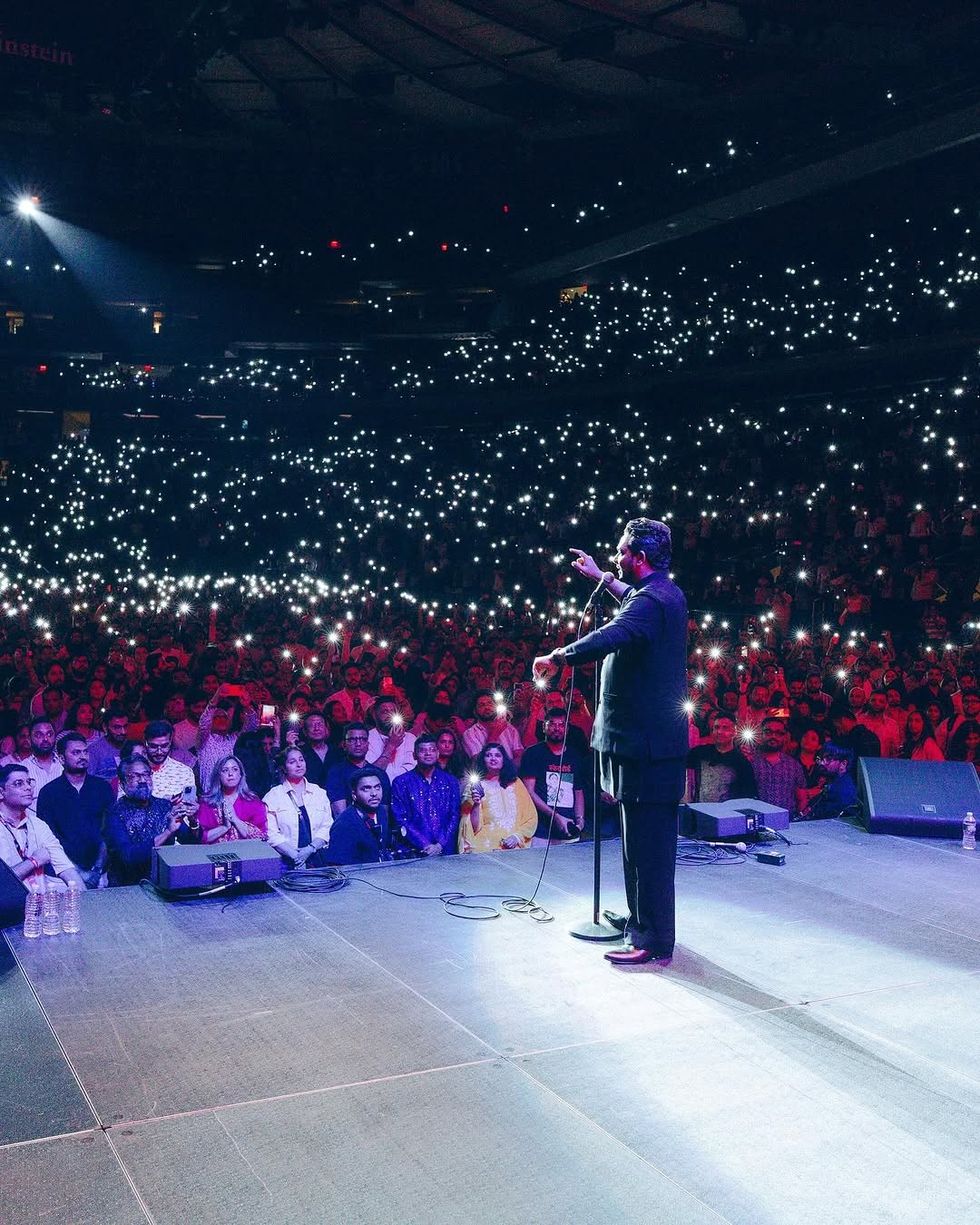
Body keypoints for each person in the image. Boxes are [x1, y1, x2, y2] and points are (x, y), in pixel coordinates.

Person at [534, 518, 688, 966]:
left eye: (622, 553)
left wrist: (558, 656)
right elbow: (630, 596)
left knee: (648, 848)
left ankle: (653, 940)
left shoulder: (653, 601)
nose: (618, 558)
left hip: (647, 747)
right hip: (641, 744)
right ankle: (642, 921)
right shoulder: (658, 592)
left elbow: (612, 634)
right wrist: (601, 576)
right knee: (635, 841)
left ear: (638, 557)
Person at [104, 756, 202, 887]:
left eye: (146, 775)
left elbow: (191, 843)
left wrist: (193, 820)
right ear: (122, 784)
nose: (143, 780)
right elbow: (128, 856)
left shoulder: (164, 806)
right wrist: (167, 833)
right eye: (135, 776)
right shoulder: (114, 814)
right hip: (127, 888)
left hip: (165, 884)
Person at [35, 732, 114, 888]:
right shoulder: (49, 793)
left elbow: (109, 832)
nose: (83, 756)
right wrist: (76, 872)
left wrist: (97, 870)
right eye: (76, 752)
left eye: (85, 752)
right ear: (61, 758)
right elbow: (48, 839)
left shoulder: (102, 787)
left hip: (100, 872)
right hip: (61, 877)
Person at [0, 762, 86, 891]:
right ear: (1, 793)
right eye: (19, 783)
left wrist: (86, 899)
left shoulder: (38, 825)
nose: (28, 787)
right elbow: (3, 883)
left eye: (29, 782)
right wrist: (33, 861)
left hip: (39, 905)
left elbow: (65, 867)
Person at [520, 711, 586, 842]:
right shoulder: (533, 753)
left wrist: (580, 820)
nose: (557, 728)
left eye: (561, 725)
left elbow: (578, 791)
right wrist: (555, 816)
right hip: (541, 829)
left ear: (567, 729)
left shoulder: (575, 756)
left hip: (569, 827)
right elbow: (529, 791)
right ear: (544, 727)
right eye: (552, 724)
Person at [459, 743, 537, 853]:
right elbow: (473, 829)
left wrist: (517, 837)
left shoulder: (516, 783)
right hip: (486, 850)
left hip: (514, 849)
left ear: (504, 760)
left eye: (497, 755)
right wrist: (476, 804)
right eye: (488, 755)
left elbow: (531, 817)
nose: (493, 758)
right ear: (483, 760)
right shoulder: (475, 786)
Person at [391, 734, 461, 856]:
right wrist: (424, 844)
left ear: (438, 754)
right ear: (414, 755)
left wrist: (440, 844)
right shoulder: (401, 782)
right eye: (422, 750)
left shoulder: (451, 781)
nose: (428, 753)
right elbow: (400, 818)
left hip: (445, 850)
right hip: (413, 851)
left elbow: (454, 815)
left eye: (432, 750)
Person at [264, 745, 333, 868]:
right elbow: (271, 833)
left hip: (318, 857)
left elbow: (327, 825)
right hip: (287, 861)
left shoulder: (319, 792)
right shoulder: (273, 796)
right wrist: (295, 855)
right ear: (284, 768)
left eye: (301, 760)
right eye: (292, 762)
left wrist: (310, 849)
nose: (299, 764)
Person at [324, 767, 401, 865]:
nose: (374, 793)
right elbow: (338, 867)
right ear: (354, 795)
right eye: (366, 789)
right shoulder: (344, 824)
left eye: (377, 787)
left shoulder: (381, 811)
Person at [686, 711, 757, 804]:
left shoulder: (741, 762)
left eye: (725, 728)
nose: (719, 732)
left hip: (728, 815)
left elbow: (748, 795)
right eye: (716, 727)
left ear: (734, 731)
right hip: (700, 811)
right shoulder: (700, 752)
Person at [197, 755, 268, 843]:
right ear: (218, 776)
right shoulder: (207, 803)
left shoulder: (253, 802)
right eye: (225, 770)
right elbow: (201, 838)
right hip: (214, 854)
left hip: (248, 854)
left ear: (240, 774)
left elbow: (261, 837)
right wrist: (224, 827)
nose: (230, 774)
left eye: (235, 769)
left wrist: (235, 820)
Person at [326, 722, 392, 816]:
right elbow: (340, 814)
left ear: (368, 744)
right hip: (349, 827)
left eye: (362, 739)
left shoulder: (380, 774)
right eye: (352, 740)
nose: (358, 744)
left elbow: (384, 813)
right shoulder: (336, 772)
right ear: (344, 745)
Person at [751, 718, 807, 818]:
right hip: (756, 822)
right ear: (760, 734)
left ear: (784, 737)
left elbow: (801, 798)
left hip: (787, 823)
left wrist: (800, 820)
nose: (773, 736)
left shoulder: (793, 765)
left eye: (779, 733)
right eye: (768, 732)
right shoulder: (750, 761)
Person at [461, 691, 524, 766]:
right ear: (475, 711)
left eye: (490, 703)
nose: (487, 707)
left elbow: (520, 757)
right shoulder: (470, 734)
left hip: (511, 774)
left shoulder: (509, 728)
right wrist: (495, 733)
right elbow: (479, 763)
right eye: (482, 705)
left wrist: (507, 771)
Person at [143, 719, 197, 801]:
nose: (159, 752)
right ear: (145, 743)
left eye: (164, 746)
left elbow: (190, 801)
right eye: (154, 746)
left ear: (170, 742)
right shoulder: (133, 772)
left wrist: (192, 805)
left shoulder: (185, 772)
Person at [366, 697, 417, 780]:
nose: (390, 715)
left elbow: (414, 770)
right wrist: (391, 745)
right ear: (375, 716)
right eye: (385, 712)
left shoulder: (411, 738)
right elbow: (371, 774)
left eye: (393, 711)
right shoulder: (367, 738)